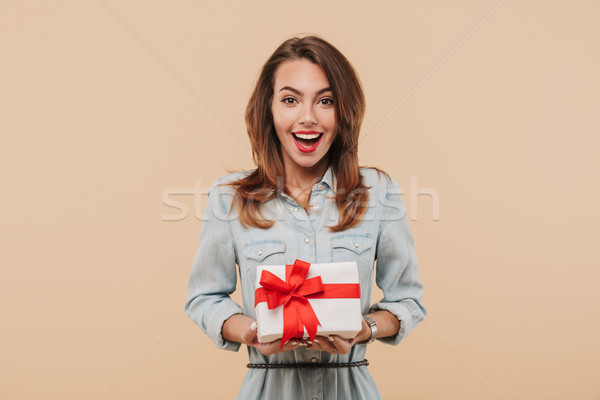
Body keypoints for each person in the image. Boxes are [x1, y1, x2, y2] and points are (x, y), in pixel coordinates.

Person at [184, 35, 427, 399]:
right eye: (290, 100)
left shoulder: (379, 192)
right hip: (267, 388)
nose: (308, 117)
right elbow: (204, 297)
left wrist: (364, 329)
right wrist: (250, 331)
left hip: (351, 387)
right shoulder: (229, 197)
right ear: (269, 110)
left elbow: (407, 301)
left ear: (343, 112)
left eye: (325, 101)